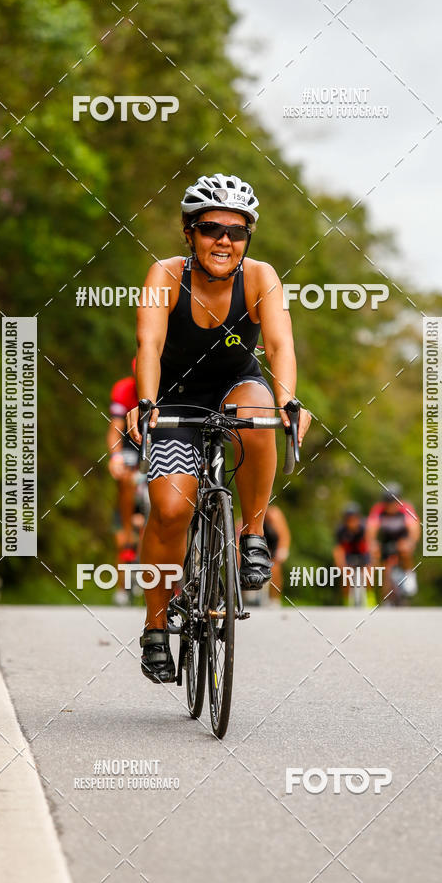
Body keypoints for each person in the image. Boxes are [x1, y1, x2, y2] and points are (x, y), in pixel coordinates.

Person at [127, 173, 311, 683]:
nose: (224, 241)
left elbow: (279, 346)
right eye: (211, 229)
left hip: (235, 386)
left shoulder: (259, 277)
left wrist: (289, 400)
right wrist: (145, 402)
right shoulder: (164, 276)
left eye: (237, 231)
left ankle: (252, 534)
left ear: (248, 238)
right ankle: (155, 628)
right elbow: (150, 345)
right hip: (172, 398)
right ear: (190, 233)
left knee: (257, 415)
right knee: (167, 512)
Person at [106, 362, 147, 605]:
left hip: (158, 442)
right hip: (131, 447)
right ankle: (127, 530)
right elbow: (115, 429)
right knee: (125, 480)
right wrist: (115, 457)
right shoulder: (124, 389)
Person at [366, 483, 420, 601]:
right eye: (387, 502)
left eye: (393, 502)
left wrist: (410, 542)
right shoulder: (378, 509)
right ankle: (386, 596)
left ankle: (409, 575)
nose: (390, 505)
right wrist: (372, 544)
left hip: (402, 537)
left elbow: (414, 528)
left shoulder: (406, 508)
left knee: (404, 549)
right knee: (378, 559)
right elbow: (371, 528)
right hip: (386, 539)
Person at [333, 503, 370, 603]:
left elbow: (370, 544)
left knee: (368, 574)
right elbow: (338, 549)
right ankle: (347, 601)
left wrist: (370, 563)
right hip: (348, 555)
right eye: (349, 520)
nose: (352, 523)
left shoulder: (365, 528)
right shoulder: (340, 530)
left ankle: (370, 599)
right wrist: (341, 565)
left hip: (363, 553)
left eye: (354, 519)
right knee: (345, 576)